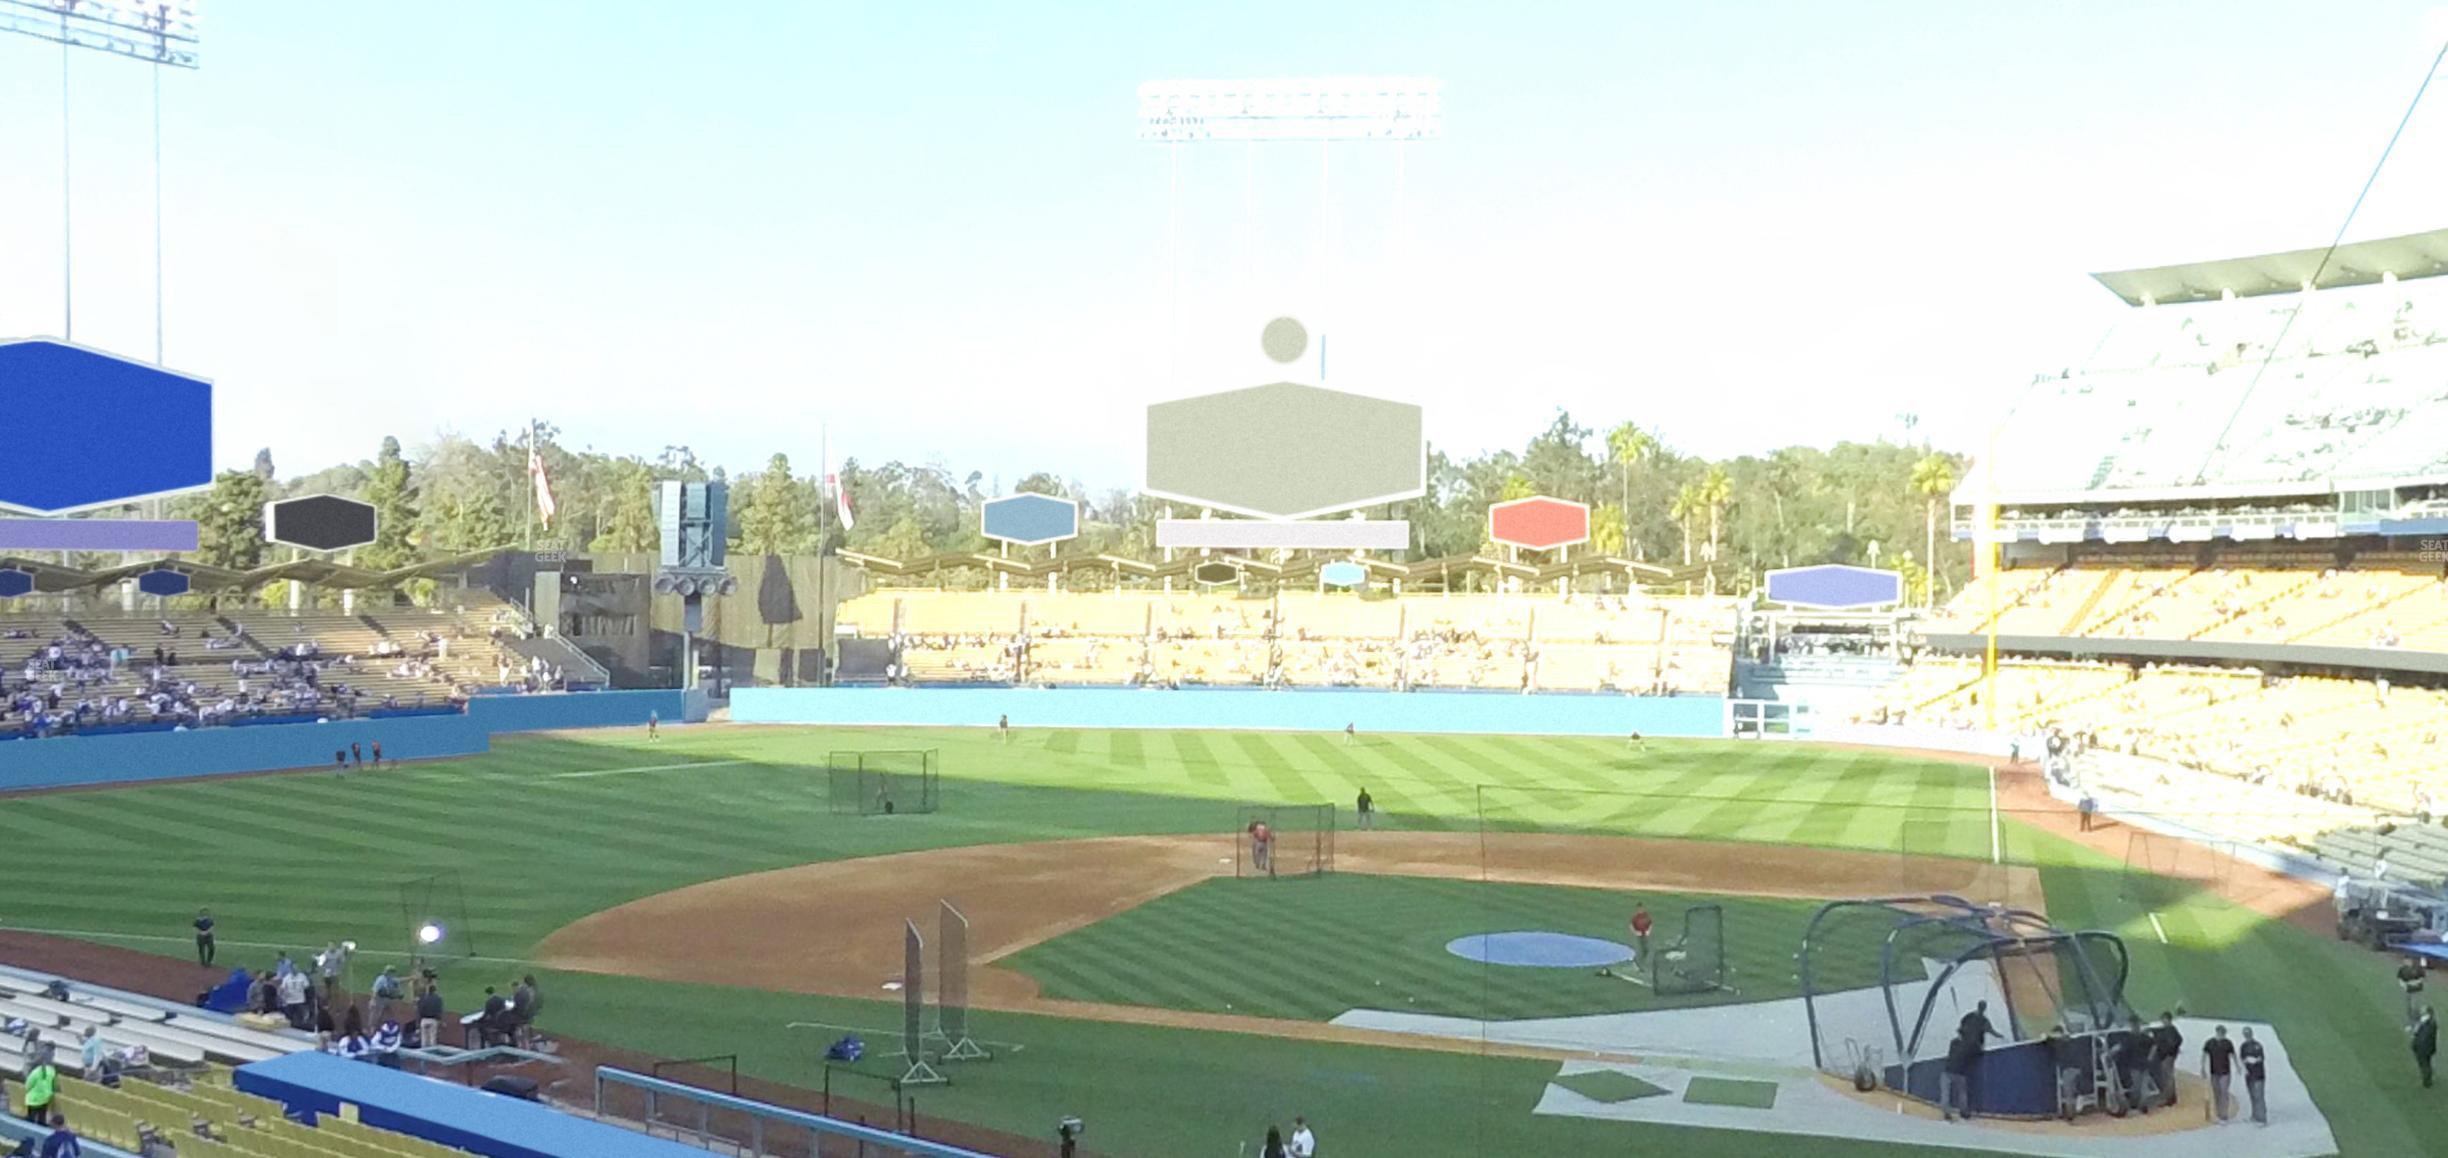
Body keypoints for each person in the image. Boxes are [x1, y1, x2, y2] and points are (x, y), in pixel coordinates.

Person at [2118, 1016, 2158, 1114]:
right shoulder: (2129, 1038)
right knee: (2137, 1086)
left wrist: (2150, 1056)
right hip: (2135, 1065)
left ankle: (2141, 1105)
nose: (2135, 1027)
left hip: (2142, 1065)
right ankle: (2136, 1104)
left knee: (2142, 1087)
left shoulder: (2142, 1037)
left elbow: (2154, 1044)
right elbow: (2121, 1048)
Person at [1941, 1028, 1977, 1121]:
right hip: (1960, 1072)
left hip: (1948, 1071)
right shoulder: (1968, 1045)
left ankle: (1947, 1112)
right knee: (1962, 1094)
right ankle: (1964, 1112)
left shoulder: (1954, 1043)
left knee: (1946, 1093)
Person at [2203, 1024, 2236, 1123]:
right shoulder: (2210, 1043)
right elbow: (2204, 1055)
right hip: (2214, 1071)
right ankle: (2218, 1112)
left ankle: (2224, 1114)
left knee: (2224, 1091)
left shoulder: (2228, 1043)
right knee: (2216, 1092)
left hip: (2225, 1072)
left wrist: (2238, 1066)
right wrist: (2202, 1067)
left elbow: (2232, 1055)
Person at [2150, 1012, 2183, 1110]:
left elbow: (2175, 1042)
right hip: (2167, 1056)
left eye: (2164, 1019)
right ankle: (2170, 1097)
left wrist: (2169, 1052)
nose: (2163, 1021)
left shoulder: (2171, 1031)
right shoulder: (2168, 1030)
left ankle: (2168, 1098)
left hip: (2167, 1057)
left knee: (2167, 1077)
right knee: (2168, 1076)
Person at [2240, 1026, 2269, 1125]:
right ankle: (2254, 1115)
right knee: (2252, 1096)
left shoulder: (2257, 1045)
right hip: (2249, 1074)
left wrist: (2253, 1060)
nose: (2247, 1035)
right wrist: (2245, 1067)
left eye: (2248, 1034)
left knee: (2259, 1096)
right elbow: (2242, 1059)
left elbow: (2261, 1058)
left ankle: (2262, 1118)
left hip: (2258, 1074)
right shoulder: (2243, 1046)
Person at [21, 1052, 55, 1124]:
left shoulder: (35, 1072)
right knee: (42, 1115)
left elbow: (28, 1084)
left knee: (31, 1115)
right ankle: (41, 1123)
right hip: (46, 1097)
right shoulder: (52, 1071)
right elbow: (54, 1084)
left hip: (34, 1097)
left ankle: (31, 1121)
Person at [2399, 955, 2428, 1028]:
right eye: (2404, 961)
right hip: (2407, 991)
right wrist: (2403, 985)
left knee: (2414, 1007)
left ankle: (2416, 1024)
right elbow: (2400, 978)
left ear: (2410, 960)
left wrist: (2415, 982)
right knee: (2408, 1008)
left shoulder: (2418, 968)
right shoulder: (2402, 969)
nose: (2405, 962)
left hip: (2417, 991)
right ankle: (2411, 1023)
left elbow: (2423, 978)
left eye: (2407, 961)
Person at [415, 978, 444, 1050]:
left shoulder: (422, 998)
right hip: (433, 1021)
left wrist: (417, 1024)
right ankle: (432, 1058)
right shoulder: (438, 999)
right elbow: (439, 1010)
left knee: (424, 1041)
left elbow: (419, 1011)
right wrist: (440, 1020)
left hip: (424, 1020)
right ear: (434, 990)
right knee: (432, 1040)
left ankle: (423, 1059)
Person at [2414, 1006, 2438, 1089]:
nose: (2421, 1011)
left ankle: (2427, 1081)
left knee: (2424, 1064)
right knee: (2426, 1063)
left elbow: (2423, 1037)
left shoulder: (2429, 1024)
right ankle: (2428, 1078)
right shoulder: (2430, 1022)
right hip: (2428, 1048)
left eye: (2423, 1010)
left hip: (2423, 1049)